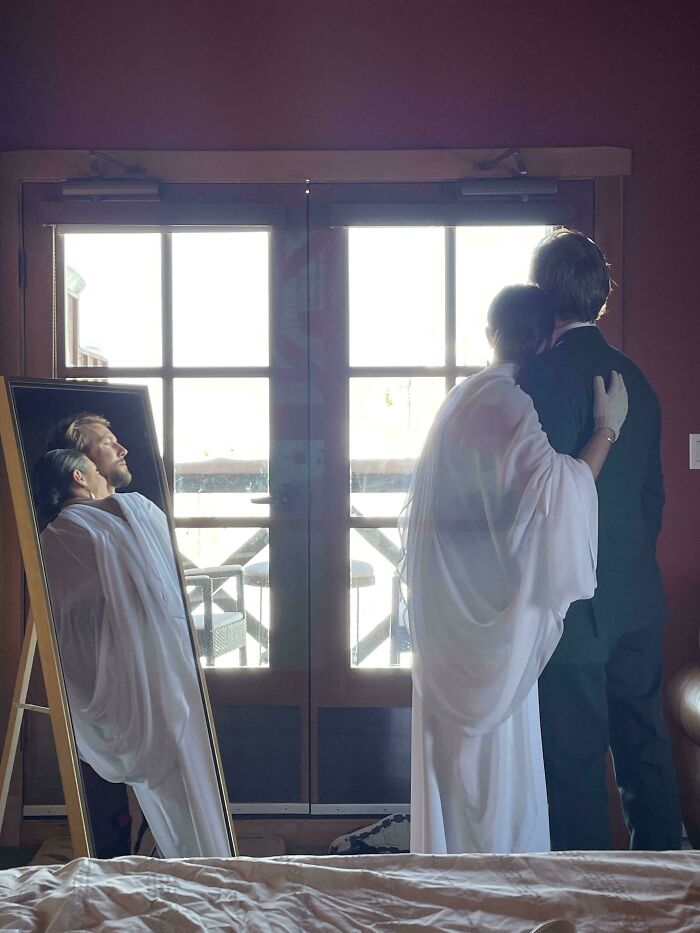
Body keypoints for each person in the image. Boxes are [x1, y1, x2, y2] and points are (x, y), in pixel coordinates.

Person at [400, 284, 628, 854]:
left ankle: (451, 869)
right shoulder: (507, 401)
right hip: (489, 619)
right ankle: (499, 876)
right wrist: (606, 429)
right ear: (548, 338)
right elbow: (556, 490)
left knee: (453, 762)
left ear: (490, 335)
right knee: (496, 761)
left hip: (451, 607)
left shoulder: (461, 397)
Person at [519, 229, 682, 850]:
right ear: (600, 298)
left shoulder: (535, 380)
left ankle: (582, 900)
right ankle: (670, 888)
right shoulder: (636, 377)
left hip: (571, 605)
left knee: (575, 763)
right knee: (646, 752)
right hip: (637, 597)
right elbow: (652, 497)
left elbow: (535, 502)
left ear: (542, 293)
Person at [33, 448, 231, 858]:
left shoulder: (55, 537)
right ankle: (191, 853)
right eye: (93, 462)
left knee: (165, 771)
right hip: (151, 660)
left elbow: (70, 618)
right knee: (181, 762)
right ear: (78, 477)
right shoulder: (124, 511)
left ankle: (169, 847)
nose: (112, 457)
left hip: (113, 668)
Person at [46, 411, 132, 494]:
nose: (123, 450)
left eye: (116, 442)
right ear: (79, 459)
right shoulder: (74, 509)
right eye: (107, 443)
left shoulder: (136, 503)